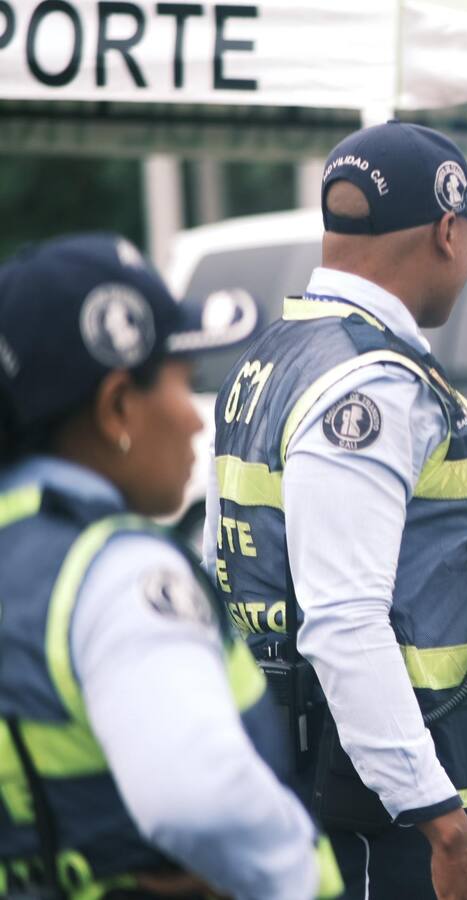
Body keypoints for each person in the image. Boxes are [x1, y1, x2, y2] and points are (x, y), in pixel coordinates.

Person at [205, 122, 467, 900]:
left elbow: (223, 552)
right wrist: (443, 827)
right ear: (449, 230)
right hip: (383, 808)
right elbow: (344, 621)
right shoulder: (369, 385)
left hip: (305, 758)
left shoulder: (278, 351)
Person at [0, 234, 342, 898]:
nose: (194, 420)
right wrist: (300, 879)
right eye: (182, 384)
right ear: (118, 406)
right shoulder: (118, 576)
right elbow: (199, 795)